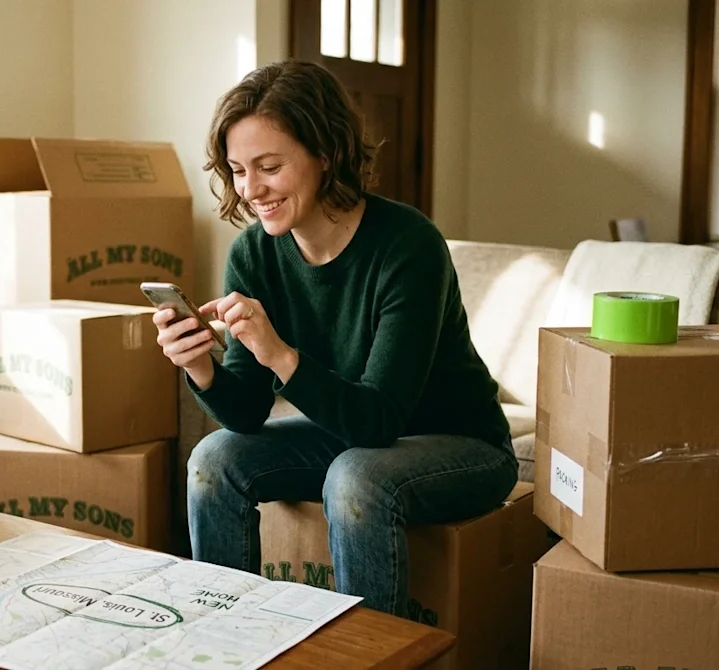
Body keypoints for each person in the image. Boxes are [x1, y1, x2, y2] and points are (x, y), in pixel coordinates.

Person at [151, 60, 518, 618]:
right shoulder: (253, 254)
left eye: (269, 166)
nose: (252, 189)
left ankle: (369, 653)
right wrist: (200, 364)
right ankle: (226, 636)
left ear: (325, 153)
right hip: (351, 439)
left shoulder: (408, 245)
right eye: (238, 170)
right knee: (214, 458)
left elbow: (380, 420)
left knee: (356, 475)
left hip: (462, 446)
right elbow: (247, 412)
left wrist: (278, 353)